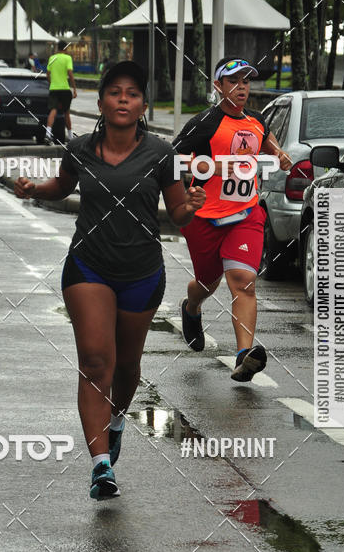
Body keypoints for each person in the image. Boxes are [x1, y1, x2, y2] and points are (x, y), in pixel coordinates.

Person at [14, 61, 205, 500]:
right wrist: (34, 189)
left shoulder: (162, 154)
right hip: (89, 267)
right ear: (100, 103)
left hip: (142, 273)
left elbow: (177, 213)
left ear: (143, 106)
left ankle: (117, 420)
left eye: (132, 93)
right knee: (97, 362)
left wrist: (191, 205)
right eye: (115, 92)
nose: (123, 99)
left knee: (127, 366)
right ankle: (101, 465)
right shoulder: (80, 149)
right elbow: (61, 187)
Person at [173, 57, 292, 382]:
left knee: (243, 280)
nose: (242, 87)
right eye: (234, 81)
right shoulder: (204, 123)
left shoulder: (256, 120)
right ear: (218, 86)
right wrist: (208, 167)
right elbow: (171, 160)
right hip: (205, 218)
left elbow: (270, 144)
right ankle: (191, 307)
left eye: (246, 81)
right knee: (207, 283)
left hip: (245, 215)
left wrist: (280, 156)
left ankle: (244, 356)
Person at [45, 40, 77, 143]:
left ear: (57, 48)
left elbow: (47, 74)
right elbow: (70, 73)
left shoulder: (52, 58)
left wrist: (52, 83)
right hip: (64, 89)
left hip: (54, 89)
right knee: (66, 112)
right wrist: (74, 88)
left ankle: (48, 133)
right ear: (65, 48)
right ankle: (70, 136)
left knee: (53, 110)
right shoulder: (67, 58)